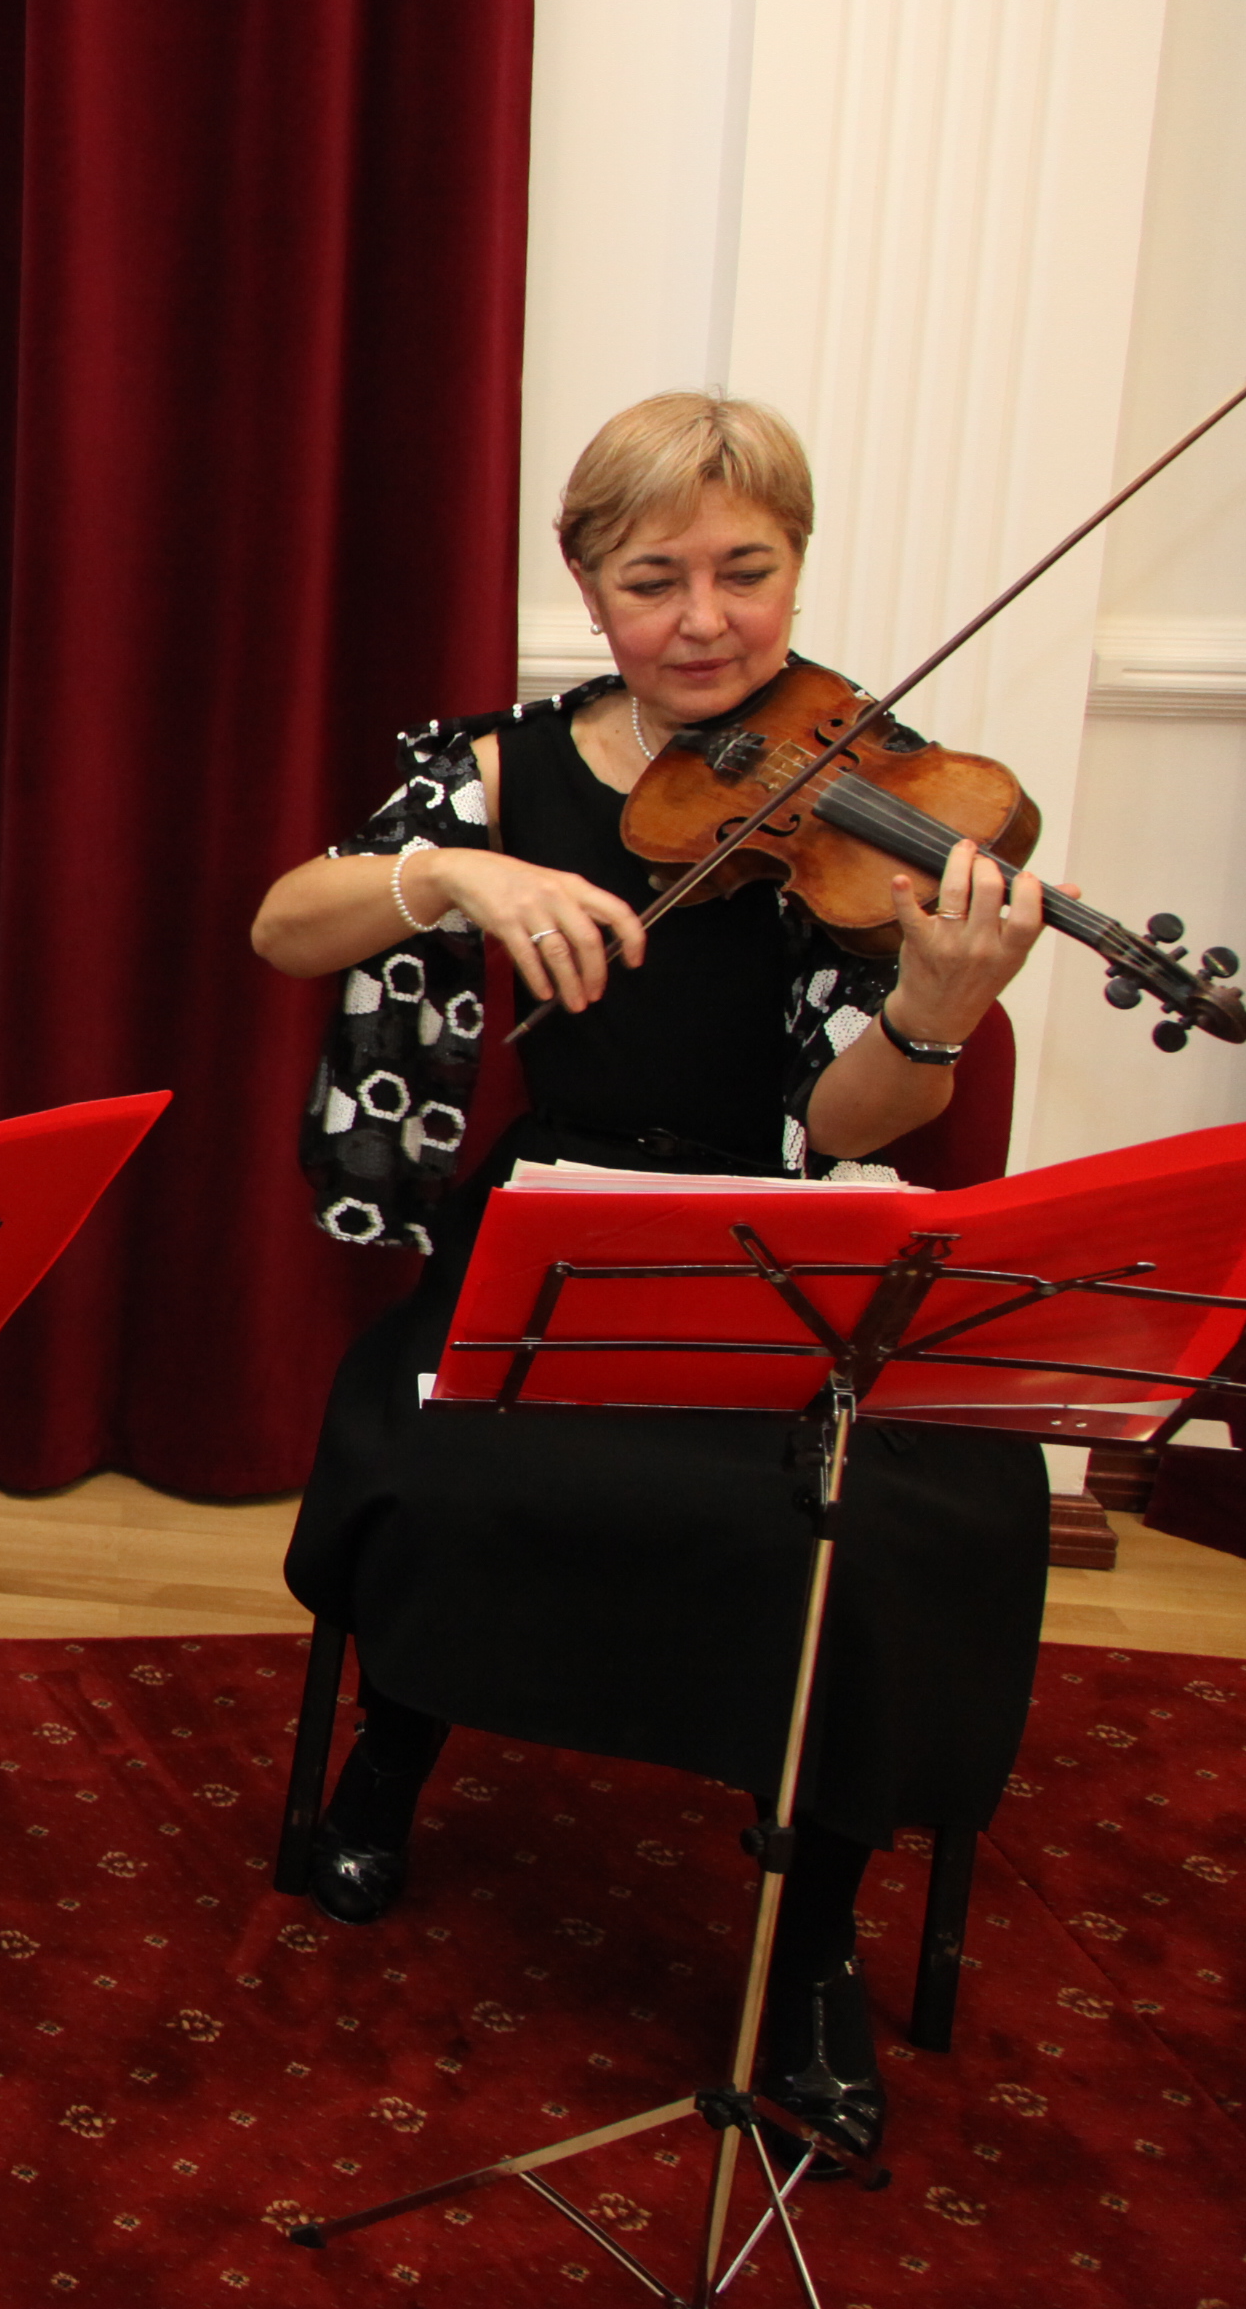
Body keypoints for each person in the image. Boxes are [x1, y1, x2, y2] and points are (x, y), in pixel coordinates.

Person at [252, 393, 1051, 2167]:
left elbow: (844, 1119)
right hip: (553, 1219)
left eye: (746, 572)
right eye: (652, 580)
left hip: (784, 1239)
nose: (704, 621)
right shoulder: (499, 767)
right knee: (447, 1454)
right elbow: (287, 923)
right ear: (587, 586)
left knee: (881, 1520)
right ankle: (398, 1744)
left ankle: (815, 1929)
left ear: (797, 569)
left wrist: (932, 1017)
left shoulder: (874, 791)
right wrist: (447, 870)